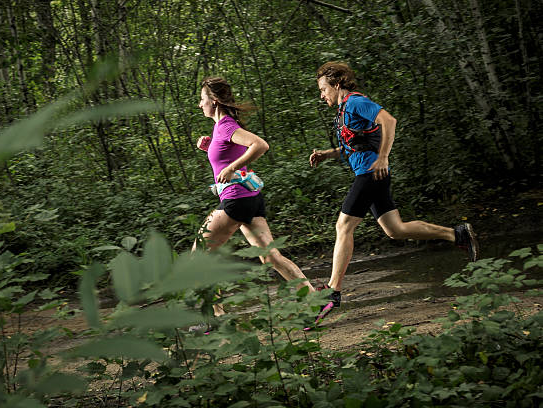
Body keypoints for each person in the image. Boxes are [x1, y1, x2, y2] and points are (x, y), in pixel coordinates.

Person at [308, 61, 479, 326]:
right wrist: (327, 154)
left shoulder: (354, 102)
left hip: (371, 173)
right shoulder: (344, 111)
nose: (322, 95)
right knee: (395, 229)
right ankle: (457, 234)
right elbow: (357, 144)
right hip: (372, 173)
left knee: (343, 226)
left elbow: (388, 120)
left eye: (323, 89)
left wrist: (384, 158)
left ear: (337, 84)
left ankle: (333, 291)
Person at [193, 76, 316, 323]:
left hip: (236, 200)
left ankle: (214, 319)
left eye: (202, 99)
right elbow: (230, 154)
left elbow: (260, 145)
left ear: (214, 101)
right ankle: (315, 302)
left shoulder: (226, 125)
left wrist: (232, 168)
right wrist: (211, 149)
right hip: (250, 198)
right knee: (271, 257)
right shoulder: (220, 127)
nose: (199, 104)